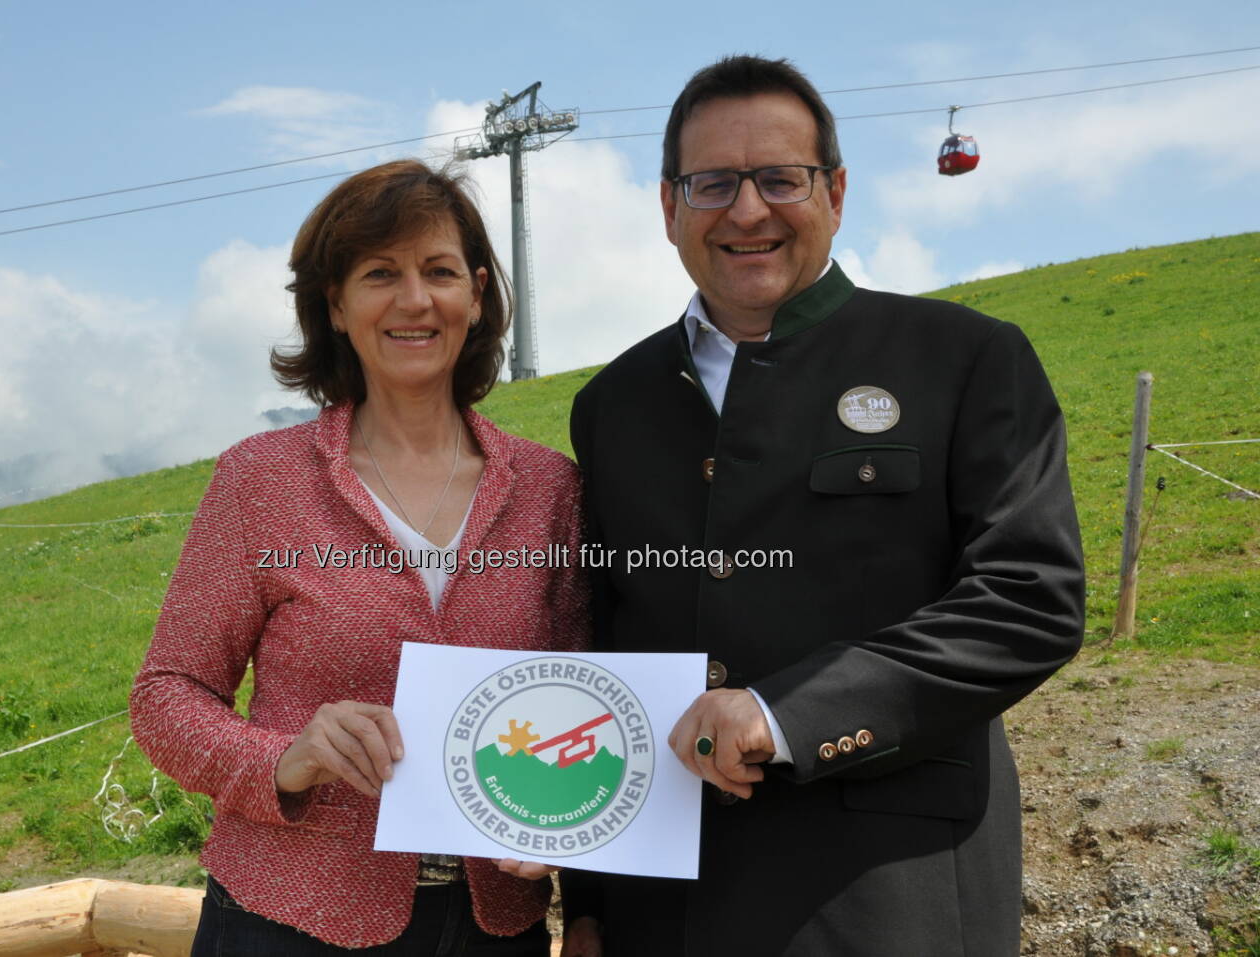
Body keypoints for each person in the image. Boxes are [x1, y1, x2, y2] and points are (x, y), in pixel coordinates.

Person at [560, 55, 1085, 956]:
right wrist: (594, 901)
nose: (748, 209)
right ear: (668, 206)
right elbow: (605, 642)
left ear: (835, 192)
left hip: (892, 899)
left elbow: (1029, 601)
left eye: (780, 178)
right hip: (665, 909)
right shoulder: (613, 403)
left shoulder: (965, 360)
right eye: (714, 182)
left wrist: (783, 712)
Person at [130, 159, 587, 956]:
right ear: (335, 305)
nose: (415, 299)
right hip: (288, 917)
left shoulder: (552, 488)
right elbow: (167, 695)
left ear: (477, 296)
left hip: (494, 926)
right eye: (381, 274)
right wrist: (286, 756)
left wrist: (575, 839)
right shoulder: (260, 480)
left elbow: (589, 698)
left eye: (440, 272)